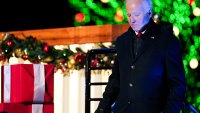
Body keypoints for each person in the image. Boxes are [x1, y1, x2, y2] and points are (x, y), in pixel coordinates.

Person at [95, 0, 186, 113]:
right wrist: (102, 108)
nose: (132, 20)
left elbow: (177, 85)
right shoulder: (123, 41)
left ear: (149, 13)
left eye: (137, 15)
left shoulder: (167, 41)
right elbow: (115, 81)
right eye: (129, 15)